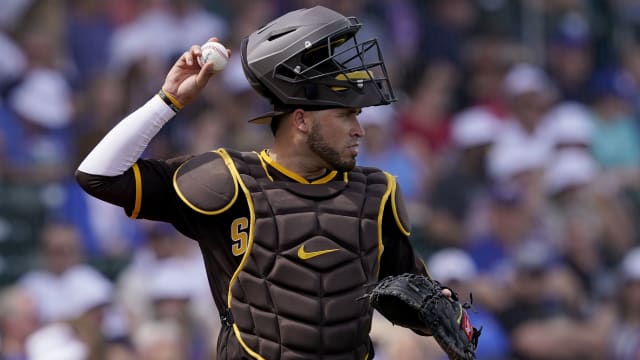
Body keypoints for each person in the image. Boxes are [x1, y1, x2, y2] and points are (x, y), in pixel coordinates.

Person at [76, 6, 437, 360]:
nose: (359, 129)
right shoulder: (225, 180)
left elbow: (414, 302)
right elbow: (98, 175)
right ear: (300, 120)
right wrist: (168, 100)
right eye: (344, 115)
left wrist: (443, 311)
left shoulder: (375, 194)